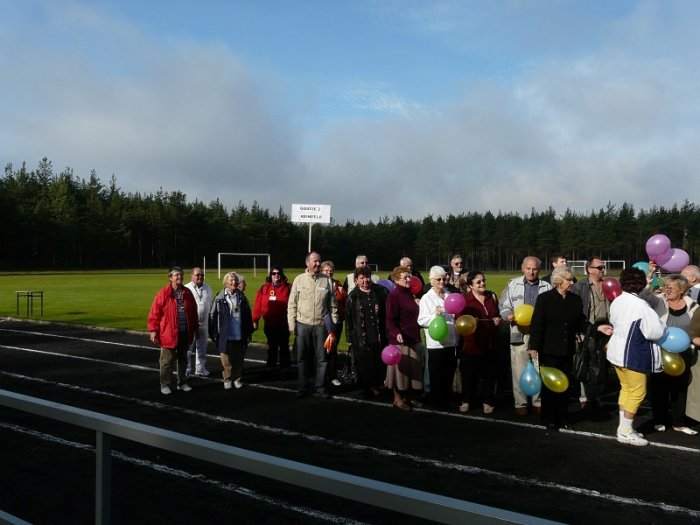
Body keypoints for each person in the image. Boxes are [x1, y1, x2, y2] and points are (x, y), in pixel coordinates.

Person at [528, 268, 602, 430]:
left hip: (567, 349)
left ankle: (562, 417)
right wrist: (533, 346)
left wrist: (597, 328)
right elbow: (537, 324)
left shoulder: (575, 300)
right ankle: (548, 418)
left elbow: (581, 321)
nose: (572, 282)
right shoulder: (544, 299)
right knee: (550, 386)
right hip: (548, 350)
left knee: (565, 384)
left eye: (572, 279)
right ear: (558, 281)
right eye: (568, 280)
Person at [607, 268, 665, 446]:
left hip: (616, 351)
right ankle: (625, 431)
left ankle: (624, 428)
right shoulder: (641, 305)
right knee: (638, 392)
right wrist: (663, 326)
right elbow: (654, 332)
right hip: (632, 354)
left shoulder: (617, 300)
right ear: (641, 284)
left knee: (626, 389)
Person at [641, 272, 699, 434]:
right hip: (661, 351)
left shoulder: (693, 306)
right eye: (666, 287)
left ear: (681, 290)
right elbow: (643, 296)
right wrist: (649, 279)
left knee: (680, 389)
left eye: (671, 287)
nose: (667, 290)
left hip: (684, 352)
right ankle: (659, 419)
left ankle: (678, 422)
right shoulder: (659, 301)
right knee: (659, 387)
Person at [499, 256, 552, 415]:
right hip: (518, 332)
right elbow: (503, 306)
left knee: (538, 368)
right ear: (523, 268)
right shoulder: (512, 284)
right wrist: (507, 315)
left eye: (534, 269)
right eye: (528, 268)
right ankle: (520, 403)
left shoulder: (547, 286)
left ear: (539, 270)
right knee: (519, 369)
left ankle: (537, 401)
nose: (531, 272)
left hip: (539, 334)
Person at [288, 252, 338, 399]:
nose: (317, 264)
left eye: (319, 261)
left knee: (322, 359)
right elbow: (292, 304)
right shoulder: (299, 280)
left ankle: (320, 387)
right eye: (315, 261)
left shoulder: (327, 281)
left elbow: (333, 305)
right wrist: (292, 324)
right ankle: (302, 387)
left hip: (321, 326)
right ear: (307, 263)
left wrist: (333, 324)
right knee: (302, 358)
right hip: (302, 325)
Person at [147, 266, 198, 395]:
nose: (180, 277)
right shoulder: (163, 293)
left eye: (181, 275)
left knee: (183, 359)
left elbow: (193, 312)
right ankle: (164, 384)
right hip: (168, 333)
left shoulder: (187, 292)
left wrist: (195, 328)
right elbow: (154, 313)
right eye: (176, 275)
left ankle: (182, 382)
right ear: (170, 278)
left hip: (184, 332)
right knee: (166, 361)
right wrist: (153, 330)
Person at [571, 257, 611, 414]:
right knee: (586, 364)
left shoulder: (608, 284)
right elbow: (576, 312)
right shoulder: (580, 286)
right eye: (599, 267)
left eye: (603, 267)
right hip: (587, 331)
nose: (602, 270)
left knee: (602, 365)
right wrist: (578, 331)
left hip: (607, 329)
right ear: (589, 269)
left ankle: (597, 397)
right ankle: (585, 398)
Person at [458, 271, 501, 415]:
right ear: (470, 285)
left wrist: (497, 319)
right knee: (469, 375)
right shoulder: (465, 300)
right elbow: (459, 321)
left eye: (483, 280)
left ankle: (487, 401)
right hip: (472, 345)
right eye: (478, 282)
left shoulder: (491, 296)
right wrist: (470, 321)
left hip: (490, 343)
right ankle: (466, 400)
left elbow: (497, 314)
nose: (482, 283)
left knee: (489, 374)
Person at [345, 266, 389, 398]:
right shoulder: (353, 296)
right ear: (356, 280)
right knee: (365, 362)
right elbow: (349, 319)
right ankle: (368, 387)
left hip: (378, 332)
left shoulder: (380, 292)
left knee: (378, 360)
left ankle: (379, 383)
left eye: (367, 277)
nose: (365, 280)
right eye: (361, 278)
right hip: (361, 336)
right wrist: (350, 338)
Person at [417, 266, 458, 407]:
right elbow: (421, 320)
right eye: (438, 279)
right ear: (432, 280)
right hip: (436, 343)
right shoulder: (426, 298)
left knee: (449, 372)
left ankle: (447, 398)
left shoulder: (449, 295)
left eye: (444, 279)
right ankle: (436, 401)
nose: (442, 282)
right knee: (436, 374)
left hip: (451, 341)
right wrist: (435, 315)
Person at [385, 265, 423, 410]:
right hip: (400, 340)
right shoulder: (394, 296)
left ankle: (408, 398)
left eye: (409, 277)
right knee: (399, 372)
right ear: (396, 280)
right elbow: (390, 319)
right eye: (405, 277)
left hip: (412, 337)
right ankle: (397, 399)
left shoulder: (409, 293)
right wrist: (397, 333)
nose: (409, 279)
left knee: (411, 371)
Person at [209, 272, 254, 390]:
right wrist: (213, 332)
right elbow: (212, 315)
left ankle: (237, 378)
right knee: (226, 360)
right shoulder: (219, 297)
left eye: (235, 280)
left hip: (239, 333)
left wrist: (249, 332)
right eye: (231, 280)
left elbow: (248, 315)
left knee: (238, 359)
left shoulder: (242, 297)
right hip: (224, 334)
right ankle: (227, 378)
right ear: (226, 283)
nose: (234, 282)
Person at [253, 266, 292, 368]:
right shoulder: (264, 288)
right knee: (272, 347)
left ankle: (285, 369)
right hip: (269, 324)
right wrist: (255, 319)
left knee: (284, 347)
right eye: (274, 273)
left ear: (282, 275)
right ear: (270, 275)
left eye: (278, 273)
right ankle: (271, 368)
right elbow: (258, 304)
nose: (276, 275)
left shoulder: (288, 287)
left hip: (284, 323)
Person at [321, 260, 347, 387]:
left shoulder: (338, 284)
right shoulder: (319, 284)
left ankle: (332, 375)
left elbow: (343, 301)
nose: (329, 273)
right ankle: (321, 375)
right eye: (326, 270)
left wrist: (342, 293)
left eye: (331, 271)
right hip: (323, 323)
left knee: (332, 349)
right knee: (322, 349)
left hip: (336, 322)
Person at [185, 267, 214, 377]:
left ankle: (200, 369)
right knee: (188, 349)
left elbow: (211, 305)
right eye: (197, 275)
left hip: (204, 323)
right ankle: (186, 370)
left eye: (202, 275)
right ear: (192, 276)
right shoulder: (186, 288)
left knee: (202, 348)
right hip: (190, 324)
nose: (200, 277)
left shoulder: (208, 288)